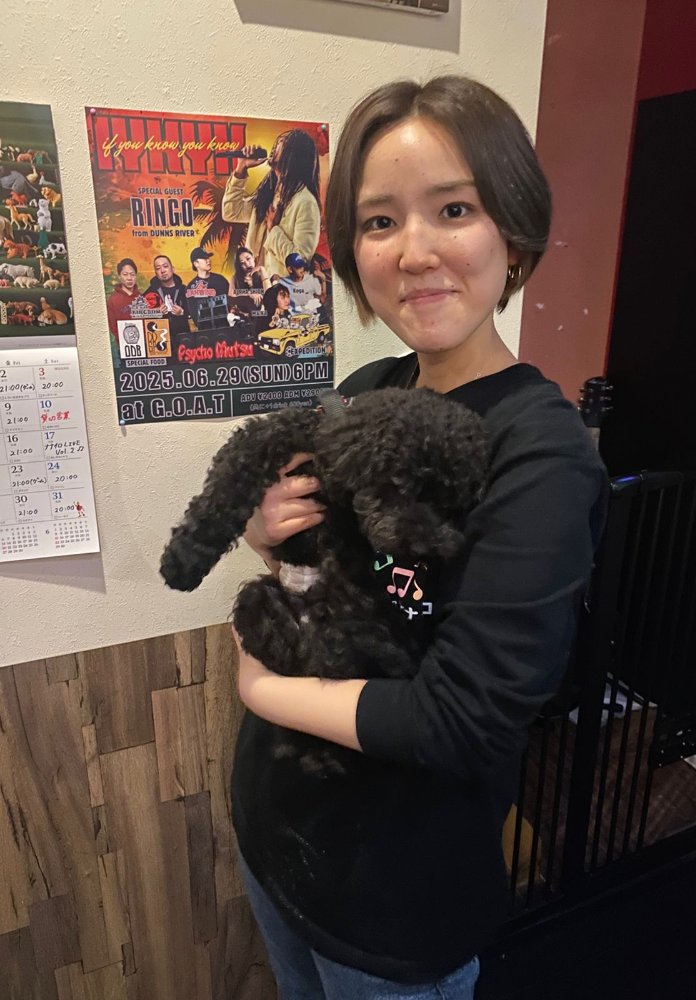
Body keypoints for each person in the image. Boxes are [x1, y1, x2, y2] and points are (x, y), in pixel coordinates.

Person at [231, 75, 609, 1000]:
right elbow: (317, 567)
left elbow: (463, 719)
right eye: (379, 221)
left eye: (453, 209)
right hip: (279, 846)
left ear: (513, 230)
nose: (414, 251)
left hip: (392, 910)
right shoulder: (369, 389)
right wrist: (265, 532)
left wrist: (263, 689)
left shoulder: (539, 453)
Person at [221, 128, 322, 279]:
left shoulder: (306, 202)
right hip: (257, 286)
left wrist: (274, 229)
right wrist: (241, 167)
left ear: (294, 156)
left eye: (282, 143)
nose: (275, 147)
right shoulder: (268, 194)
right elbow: (231, 212)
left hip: (282, 290)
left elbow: (299, 263)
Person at [106, 258, 140, 364]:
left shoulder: (143, 297)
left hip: (145, 347)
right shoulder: (113, 300)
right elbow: (113, 326)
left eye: (132, 274)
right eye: (125, 274)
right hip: (124, 348)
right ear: (119, 276)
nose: (129, 278)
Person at [145, 255, 190, 337]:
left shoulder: (184, 290)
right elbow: (140, 314)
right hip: (160, 338)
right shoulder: (150, 292)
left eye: (165, 266)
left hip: (183, 338)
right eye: (158, 268)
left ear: (173, 269)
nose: (162, 271)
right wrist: (155, 313)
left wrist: (182, 312)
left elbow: (194, 313)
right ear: (156, 273)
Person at [185, 247, 230, 326]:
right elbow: (194, 315)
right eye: (204, 258)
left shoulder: (221, 279)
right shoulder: (190, 287)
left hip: (226, 325)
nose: (208, 260)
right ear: (196, 264)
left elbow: (230, 302)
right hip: (205, 329)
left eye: (208, 257)